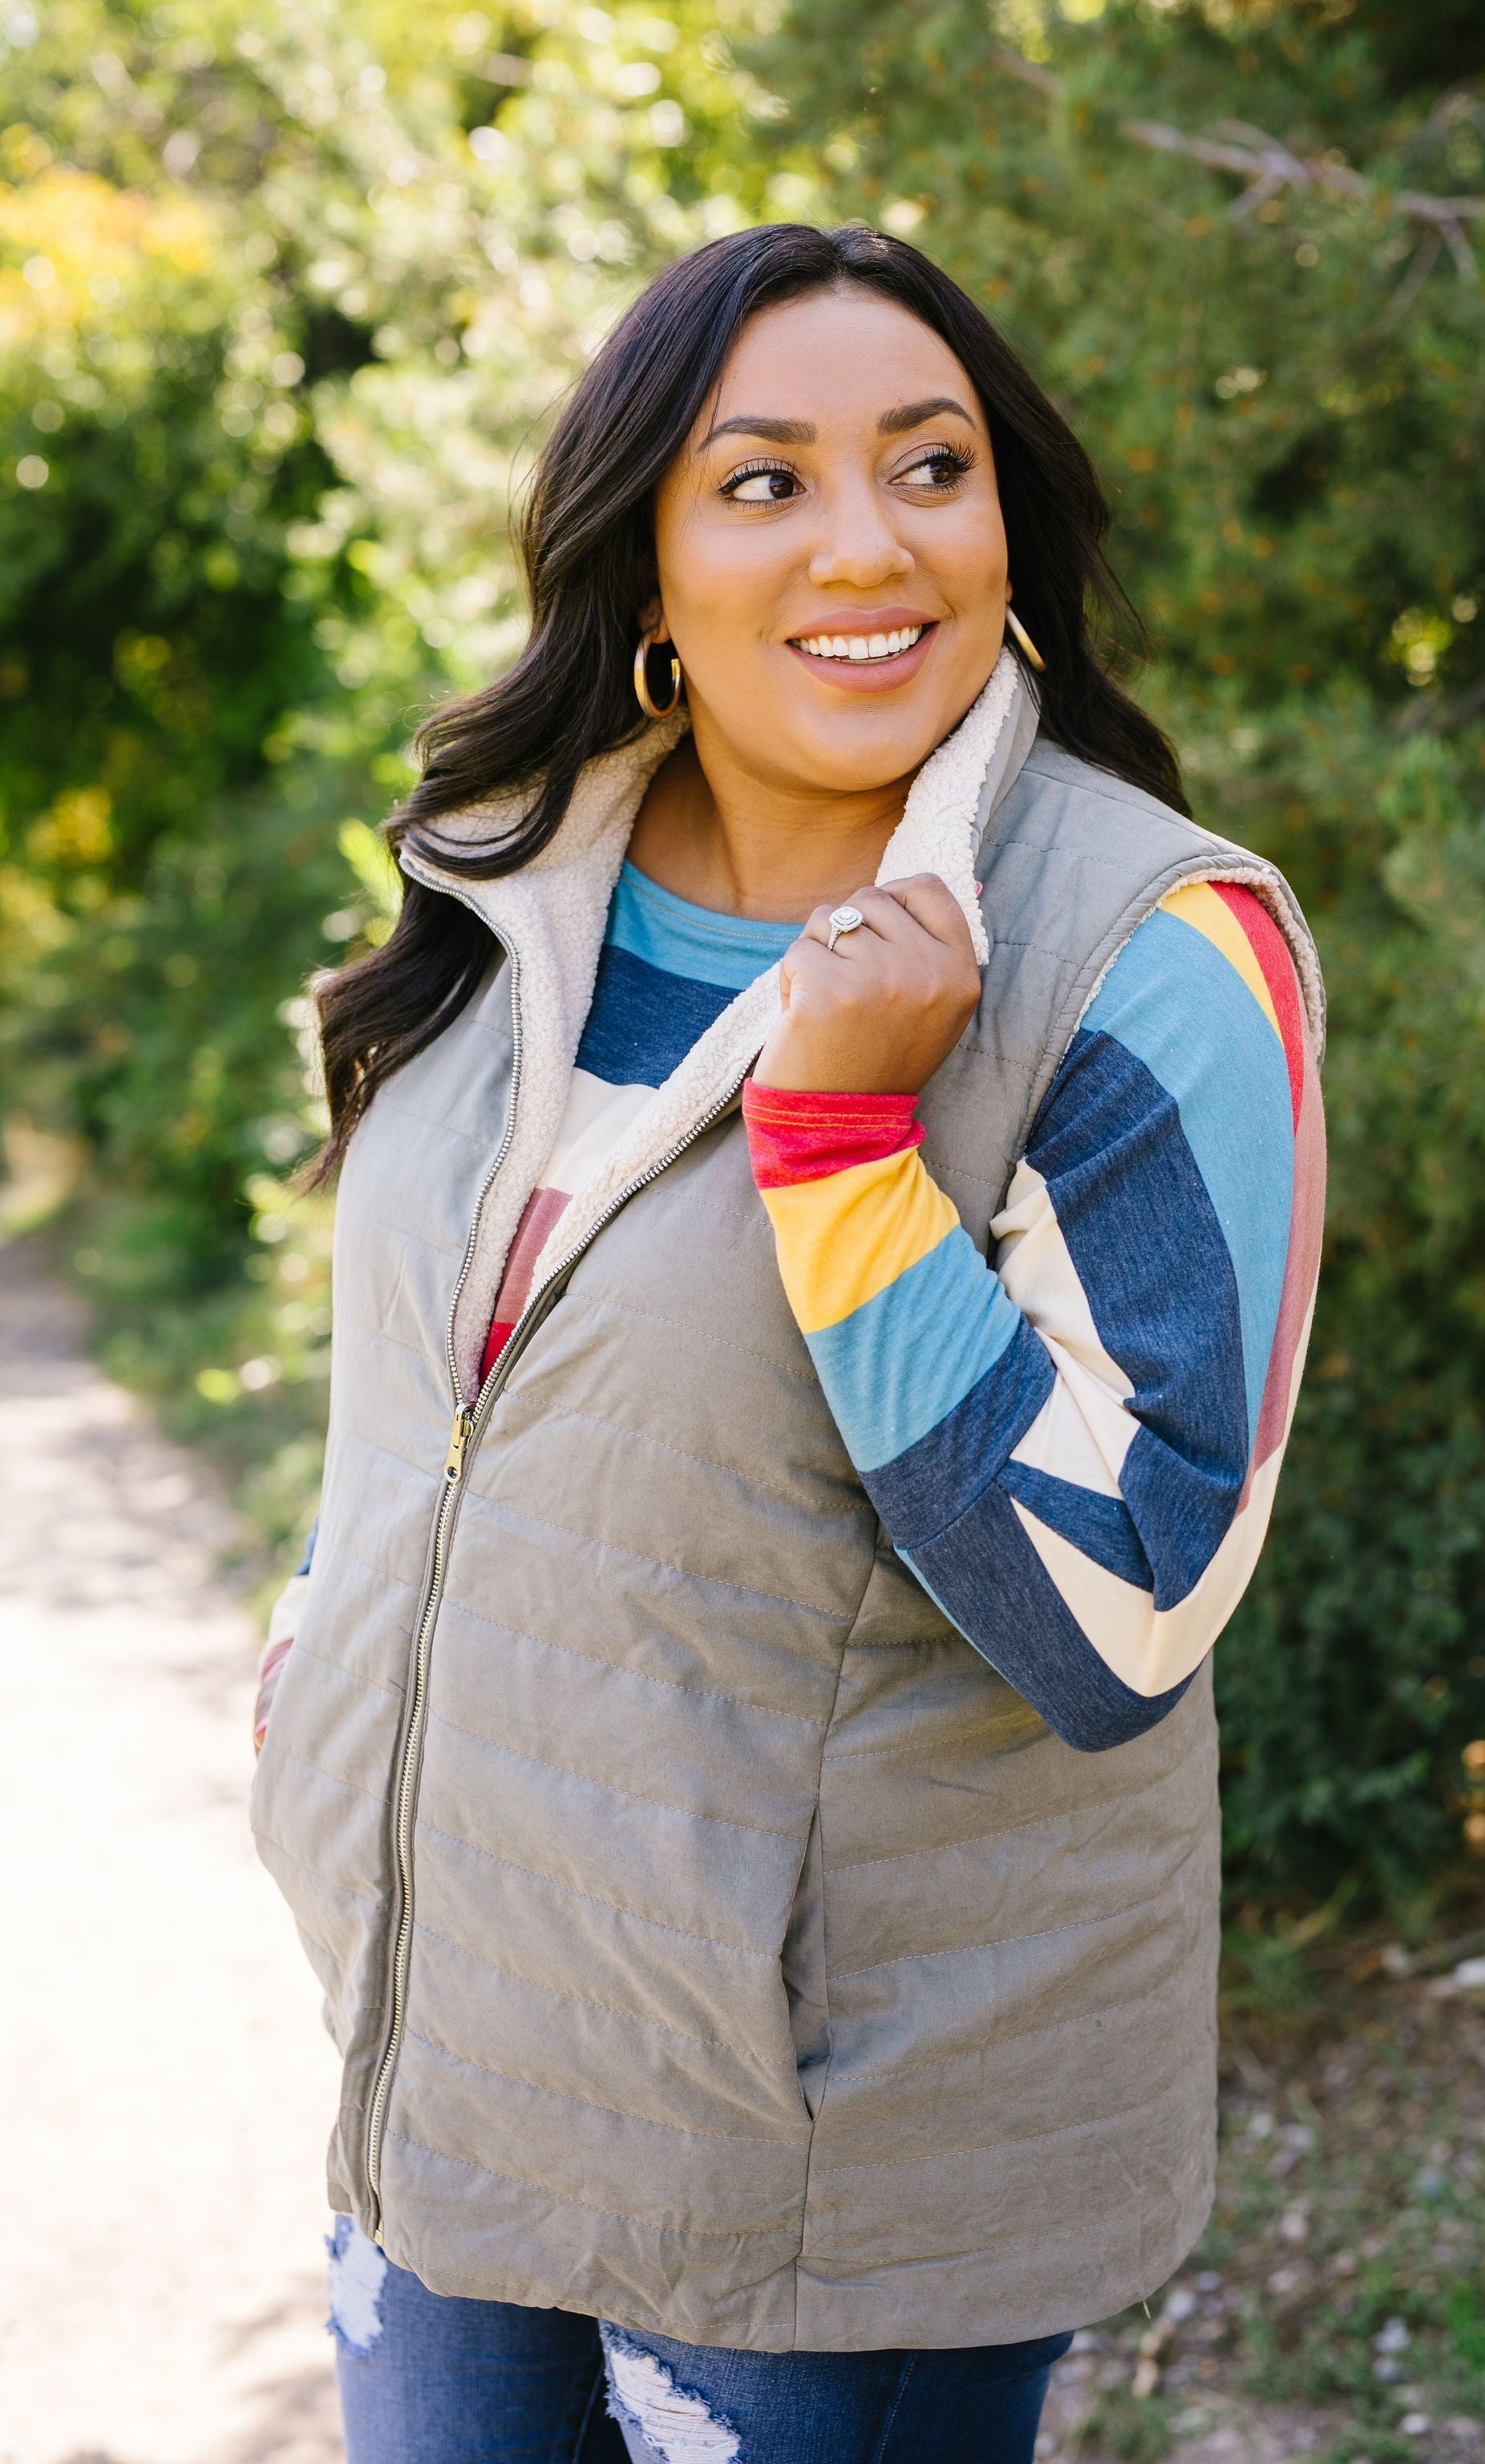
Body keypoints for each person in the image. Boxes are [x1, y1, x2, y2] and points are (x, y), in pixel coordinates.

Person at [250, 221, 1325, 2464]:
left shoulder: (1148, 948)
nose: (867, 544)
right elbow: (445, 1398)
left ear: (1008, 529)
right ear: (643, 564)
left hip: (831, 2157)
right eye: (764, 481)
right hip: (448, 2056)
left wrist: (843, 1147)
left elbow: (1124, 1606)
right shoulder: (507, 884)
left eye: (932, 467)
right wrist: (326, 1679)